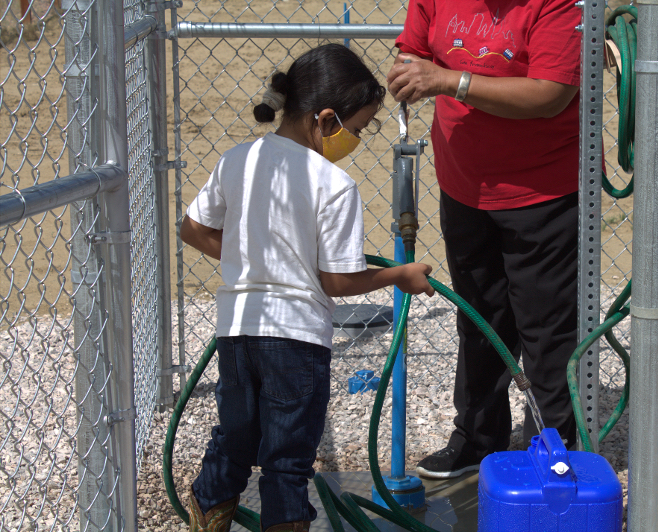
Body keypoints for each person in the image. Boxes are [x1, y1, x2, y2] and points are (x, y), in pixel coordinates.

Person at [180, 43, 434, 532]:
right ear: (324, 120)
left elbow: (192, 229)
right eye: (355, 129)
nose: (355, 140)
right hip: (295, 341)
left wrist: (250, 257)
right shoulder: (333, 185)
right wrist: (399, 276)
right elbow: (335, 280)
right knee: (286, 461)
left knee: (233, 443)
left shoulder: (239, 159)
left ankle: (204, 521)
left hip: (236, 333)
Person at [387, 0, 582, 479]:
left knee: (545, 328)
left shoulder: (556, 4)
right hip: (465, 183)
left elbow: (550, 94)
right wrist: (409, 71)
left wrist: (450, 80)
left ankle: (552, 449)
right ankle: (479, 438)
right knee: (478, 317)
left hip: (543, 189)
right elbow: (411, 50)